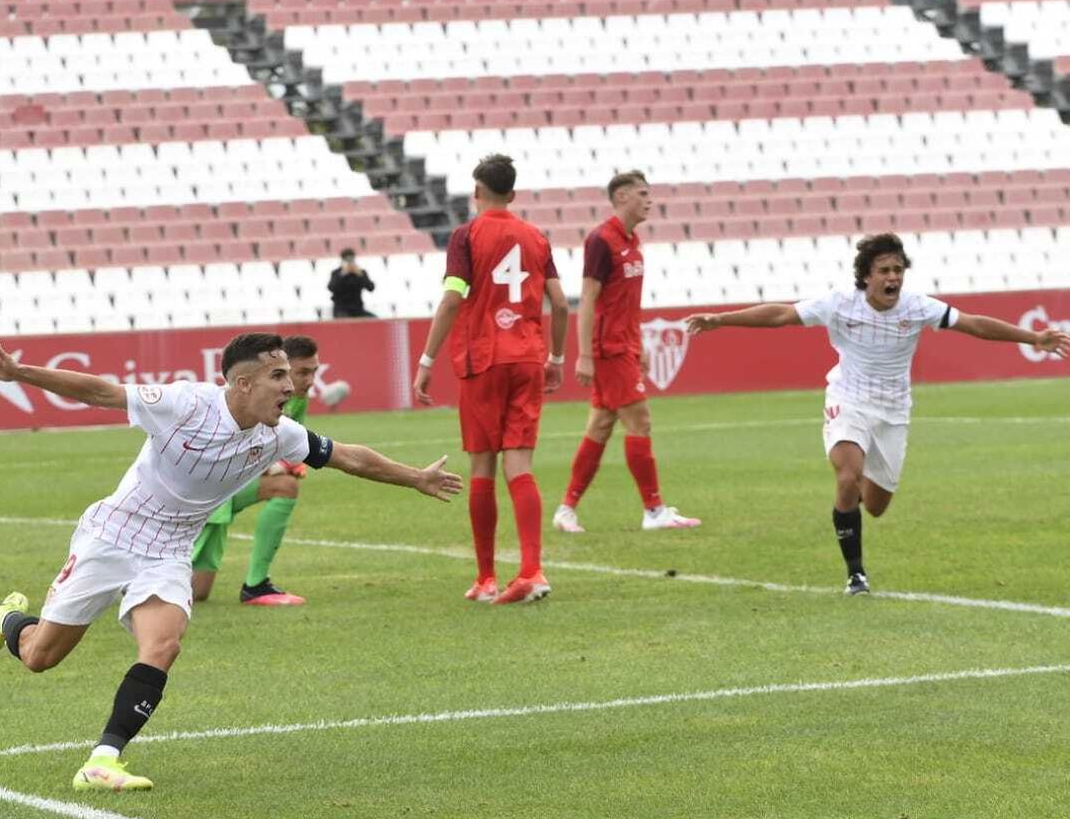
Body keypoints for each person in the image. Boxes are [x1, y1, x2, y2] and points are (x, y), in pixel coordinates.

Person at [0, 332, 462, 792]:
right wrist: (20, 372)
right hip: (112, 534)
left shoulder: (280, 433)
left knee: (163, 644)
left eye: (290, 376)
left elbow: (350, 457)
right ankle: (10, 620)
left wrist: (414, 477)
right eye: (278, 378)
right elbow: (102, 392)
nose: (290, 387)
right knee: (39, 657)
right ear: (242, 384)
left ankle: (103, 760)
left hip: (169, 550)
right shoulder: (187, 403)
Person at [686, 232, 1069, 594]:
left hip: (893, 410)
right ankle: (856, 574)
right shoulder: (839, 303)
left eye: (898, 270)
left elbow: (974, 325)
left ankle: (853, 501)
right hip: (848, 399)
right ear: (866, 275)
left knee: (877, 506)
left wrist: (1032, 337)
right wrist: (721, 319)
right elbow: (781, 315)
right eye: (884, 270)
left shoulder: (918, 307)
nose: (893, 278)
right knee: (848, 476)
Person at [413, 153, 569, 605]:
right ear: (513, 194)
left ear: (476, 192)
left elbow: (452, 299)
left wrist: (426, 359)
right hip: (527, 358)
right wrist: (555, 356)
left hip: (483, 359)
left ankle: (485, 579)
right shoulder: (536, 237)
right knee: (519, 465)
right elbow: (559, 303)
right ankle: (532, 571)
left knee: (482, 465)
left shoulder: (467, 236)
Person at [554, 170, 700, 535]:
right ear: (621, 197)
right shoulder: (601, 240)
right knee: (640, 421)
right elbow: (588, 299)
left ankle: (566, 509)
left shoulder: (634, 241)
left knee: (601, 425)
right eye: (642, 194)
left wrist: (641, 344)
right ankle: (654, 510)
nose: (649, 201)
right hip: (608, 349)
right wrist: (584, 354)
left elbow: (627, 301)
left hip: (624, 345)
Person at [190, 334, 322, 607]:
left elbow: (283, 447)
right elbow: (237, 448)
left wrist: (285, 465)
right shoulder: (250, 401)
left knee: (285, 486)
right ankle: (126, 576)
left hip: (229, 491)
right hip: (209, 492)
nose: (309, 381)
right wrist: (275, 465)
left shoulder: (297, 400)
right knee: (192, 591)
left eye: (314, 372)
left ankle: (256, 586)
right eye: (302, 373)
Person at [328, 248, 377, 318]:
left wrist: (360, 275)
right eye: (347, 260)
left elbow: (371, 288)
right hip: (341, 309)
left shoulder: (361, 273)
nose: (350, 263)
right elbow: (331, 287)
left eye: (351, 260)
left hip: (358, 309)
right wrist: (343, 274)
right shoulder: (336, 273)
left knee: (373, 319)